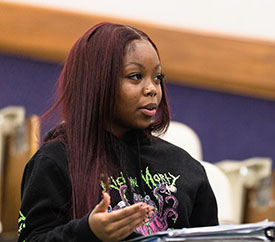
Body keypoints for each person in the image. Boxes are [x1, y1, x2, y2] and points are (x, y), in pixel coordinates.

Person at [17, 22, 218, 242]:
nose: (152, 88)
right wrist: (88, 232)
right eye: (135, 76)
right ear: (96, 82)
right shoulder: (55, 161)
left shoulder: (185, 167)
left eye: (158, 77)